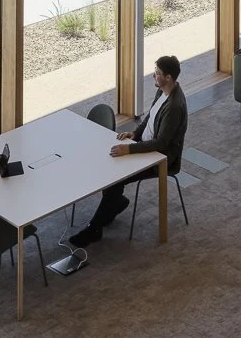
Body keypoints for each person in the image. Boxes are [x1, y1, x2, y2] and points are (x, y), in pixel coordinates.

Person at [69, 55, 187, 247]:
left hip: (160, 158)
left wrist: (129, 150)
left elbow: (161, 144)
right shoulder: (162, 92)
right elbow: (149, 118)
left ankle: (94, 228)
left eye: (157, 73)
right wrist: (134, 133)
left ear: (168, 77)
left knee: (116, 179)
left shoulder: (174, 106)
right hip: (145, 145)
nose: (153, 76)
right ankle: (116, 203)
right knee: (109, 163)